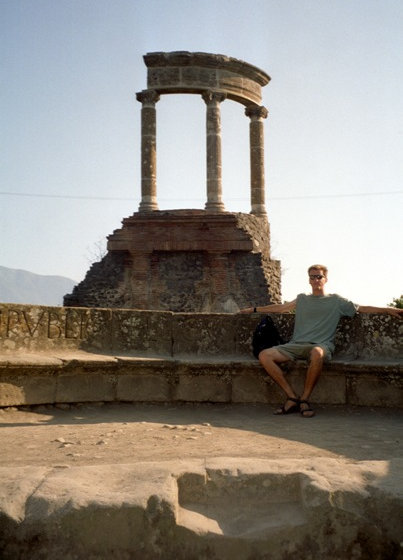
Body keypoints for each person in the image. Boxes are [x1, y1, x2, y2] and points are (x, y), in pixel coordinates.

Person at [241, 264, 402, 418]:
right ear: (309, 280)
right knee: (264, 355)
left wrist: (388, 309)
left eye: (319, 276)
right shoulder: (302, 298)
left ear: (325, 279)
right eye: (312, 277)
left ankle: (304, 399)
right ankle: (291, 397)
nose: (316, 280)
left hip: (321, 345)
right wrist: (254, 309)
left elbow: (361, 308)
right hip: (296, 345)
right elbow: (280, 308)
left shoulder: (336, 301)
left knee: (317, 353)